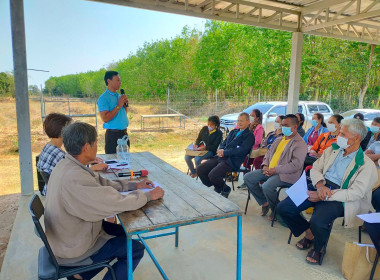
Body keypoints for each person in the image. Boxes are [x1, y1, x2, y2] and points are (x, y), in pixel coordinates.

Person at [44, 122, 165, 280]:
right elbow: (116, 203)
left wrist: (134, 185)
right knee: (135, 250)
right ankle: (79, 272)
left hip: (69, 234)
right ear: (87, 147)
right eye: (95, 143)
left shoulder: (67, 165)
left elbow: (101, 183)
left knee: (124, 230)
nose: (96, 147)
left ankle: (80, 275)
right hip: (74, 247)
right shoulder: (74, 178)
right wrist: (148, 195)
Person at [277, 119, 378, 265]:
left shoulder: (365, 164)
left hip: (341, 195)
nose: (338, 136)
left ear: (356, 138)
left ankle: (319, 247)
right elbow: (316, 168)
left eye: (343, 133)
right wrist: (319, 185)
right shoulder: (333, 149)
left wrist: (323, 195)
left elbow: (355, 193)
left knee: (319, 221)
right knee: (284, 208)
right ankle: (309, 232)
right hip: (321, 184)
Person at [243, 114, 307, 220]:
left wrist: (275, 170)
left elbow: (295, 165)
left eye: (286, 125)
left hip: (285, 175)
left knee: (267, 186)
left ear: (295, 127)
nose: (283, 128)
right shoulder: (279, 139)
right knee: (248, 178)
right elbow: (268, 155)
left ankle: (275, 210)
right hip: (270, 170)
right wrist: (265, 166)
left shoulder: (300, 144)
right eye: (282, 125)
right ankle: (265, 202)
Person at [37, 113, 107, 195]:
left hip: (51, 190)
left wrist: (88, 161)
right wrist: (94, 168)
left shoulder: (49, 147)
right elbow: (74, 177)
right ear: (63, 131)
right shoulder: (59, 154)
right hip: (58, 193)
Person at [197, 113, 255, 198]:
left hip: (232, 161)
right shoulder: (234, 131)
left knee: (213, 175)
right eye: (238, 121)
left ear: (248, 121)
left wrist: (225, 152)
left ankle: (225, 188)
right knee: (200, 169)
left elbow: (240, 150)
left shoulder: (249, 136)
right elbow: (224, 143)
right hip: (222, 157)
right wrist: (221, 150)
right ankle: (217, 186)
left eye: (241, 121)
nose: (239, 123)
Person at [98, 71, 130, 154]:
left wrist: (125, 105)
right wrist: (119, 105)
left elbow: (123, 114)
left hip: (124, 134)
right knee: (113, 163)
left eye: (120, 80)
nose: (120, 83)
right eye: (117, 80)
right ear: (109, 81)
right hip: (113, 136)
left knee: (125, 162)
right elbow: (105, 118)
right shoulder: (104, 98)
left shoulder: (119, 96)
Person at [238, 109, 265, 175]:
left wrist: (247, 142)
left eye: (253, 116)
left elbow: (257, 141)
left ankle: (247, 177)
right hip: (244, 148)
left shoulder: (259, 127)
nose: (250, 117)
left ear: (257, 118)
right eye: (250, 115)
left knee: (245, 158)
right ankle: (233, 174)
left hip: (253, 150)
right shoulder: (248, 125)